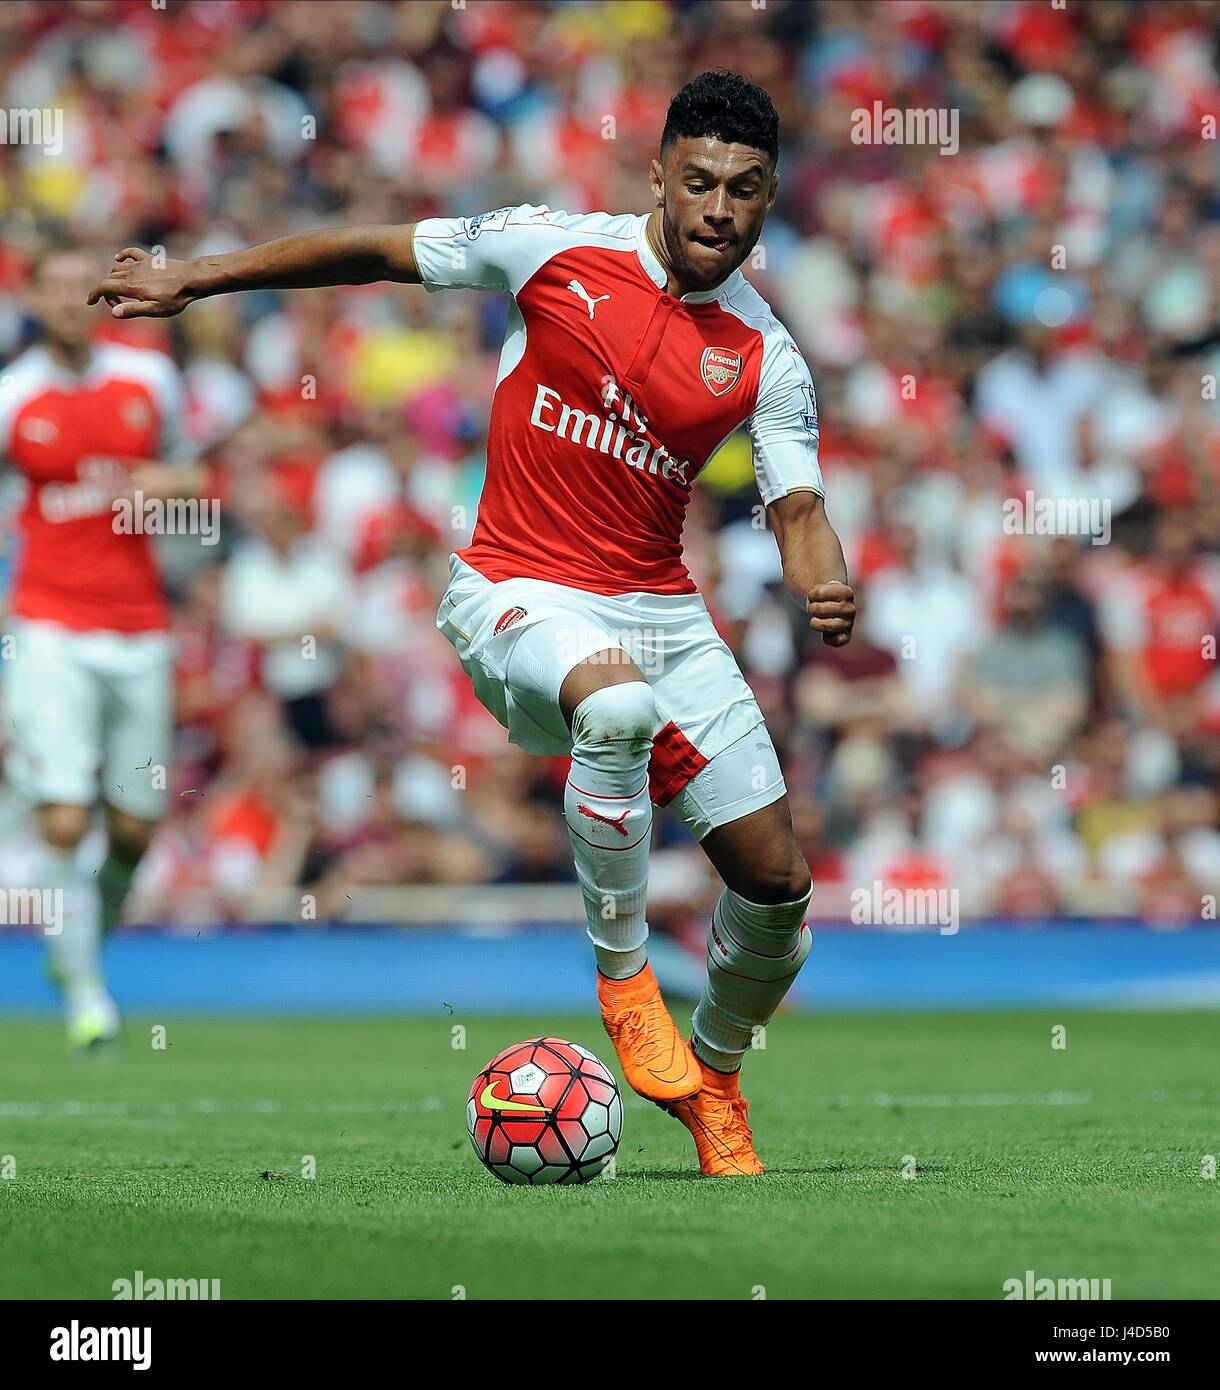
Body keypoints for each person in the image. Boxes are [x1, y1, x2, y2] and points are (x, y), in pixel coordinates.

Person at [88, 70, 856, 1175]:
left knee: (777, 887)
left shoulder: (764, 355)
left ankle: (715, 1076)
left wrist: (819, 580)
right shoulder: (552, 248)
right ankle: (626, 979)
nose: (716, 210)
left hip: (658, 607)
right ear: (657, 175)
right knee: (618, 707)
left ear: (769, 198)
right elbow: (376, 248)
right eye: (697, 183)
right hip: (516, 588)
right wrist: (199, 276)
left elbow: (796, 506)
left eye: (742, 191)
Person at [1, 241, 201, 1047]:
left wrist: (169, 485)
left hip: (138, 624)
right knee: (60, 814)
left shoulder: (149, 380)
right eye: (48, 287)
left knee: (133, 827)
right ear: (33, 299)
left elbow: (191, 472)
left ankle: (81, 950)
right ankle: (85, 992)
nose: (63, 300)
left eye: (74, 287)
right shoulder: (13, 396)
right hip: (48, 620)